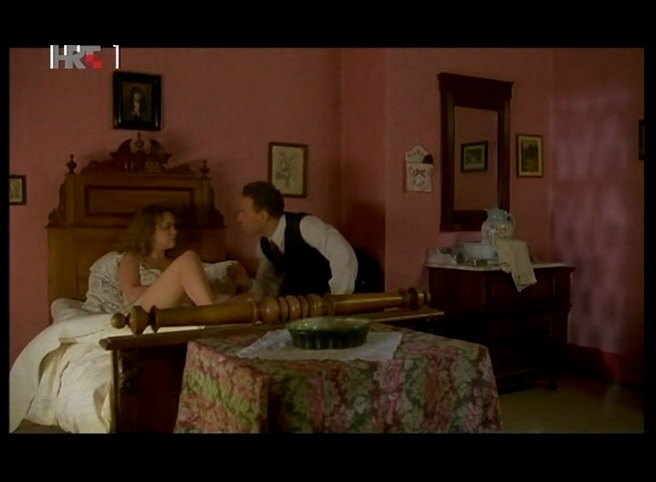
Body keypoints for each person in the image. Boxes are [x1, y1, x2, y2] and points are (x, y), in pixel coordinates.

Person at [116, 204, 250, 313]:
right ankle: (213, 315)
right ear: (149, 231)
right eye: (167, 227)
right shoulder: (133, 258)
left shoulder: (174, 263)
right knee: (189, 258)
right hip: (143, 309)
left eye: (174, 227)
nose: (174, 232)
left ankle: (213, 313)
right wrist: (179, 289)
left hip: (177, 309)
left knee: (251, 298)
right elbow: (131, 293)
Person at [237, 181, 358, 298]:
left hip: (358, 290)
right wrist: (248, 283)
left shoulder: (305, 226)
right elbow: (270, 284)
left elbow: (342, 253)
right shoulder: (265, 245)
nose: (239, 218)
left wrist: (338, 299)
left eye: (243, 212)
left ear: (263, 216)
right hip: (313, 302)